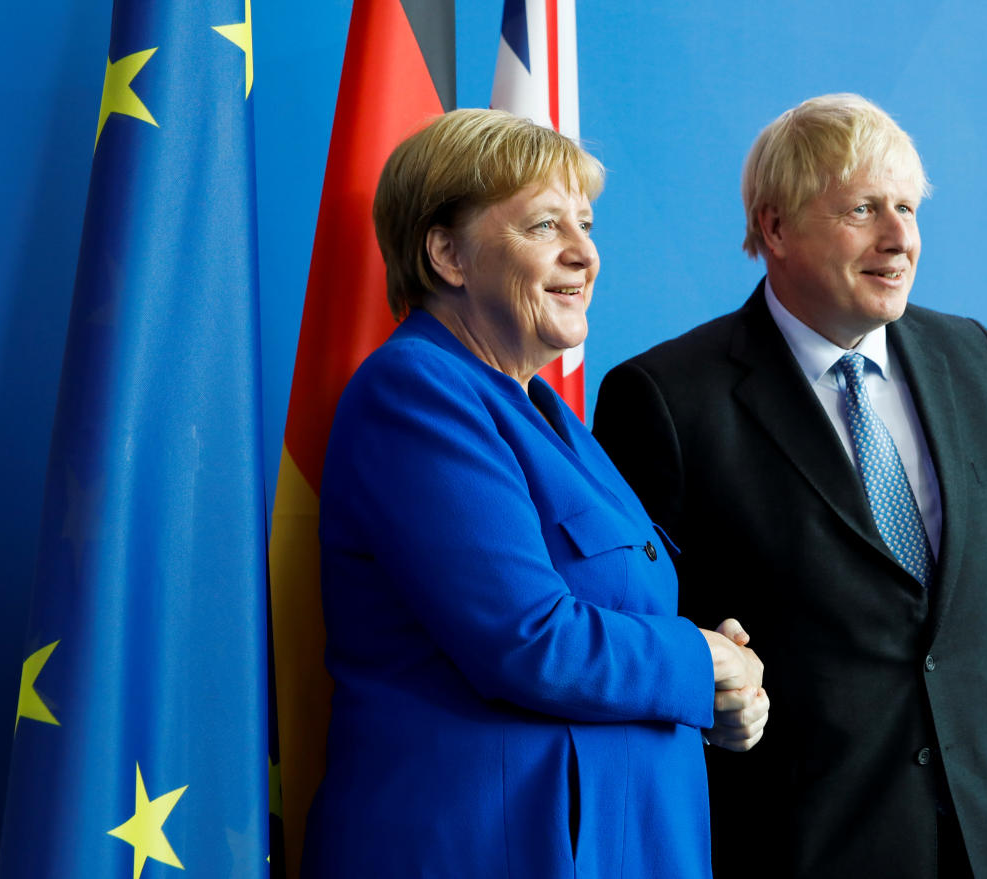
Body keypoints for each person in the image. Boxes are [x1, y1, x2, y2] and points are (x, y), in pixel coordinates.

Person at [593, 94, 987, 879]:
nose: (899, 237)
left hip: (975, 833)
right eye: (864, 209)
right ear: (774, 227)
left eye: (906, 207)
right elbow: (637, 640)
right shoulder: (664, 398)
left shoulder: (969, 356)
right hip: (789, 839)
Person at [300, 108, 768, 878]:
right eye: (545, 226)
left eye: (584, 225)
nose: (583, 254)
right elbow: (526, 638)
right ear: (448, 253)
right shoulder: (415, 391)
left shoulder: (549, 415)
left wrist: (715, 692)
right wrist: (700, 657)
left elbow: (617, 624)